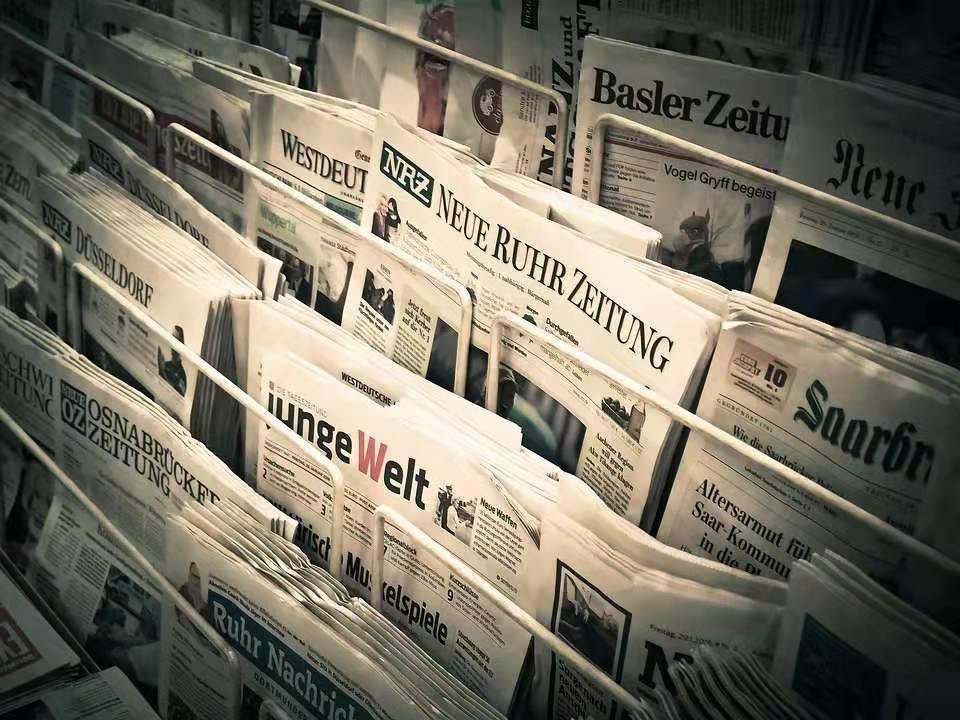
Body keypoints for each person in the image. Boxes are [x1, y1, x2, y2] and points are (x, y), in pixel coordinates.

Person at [157, 326, 188, 397]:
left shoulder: (181, 375)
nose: (172, 344)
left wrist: (161, 368)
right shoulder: (166, 365)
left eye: (175, 340)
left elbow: (175, 397)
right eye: (171, 338)